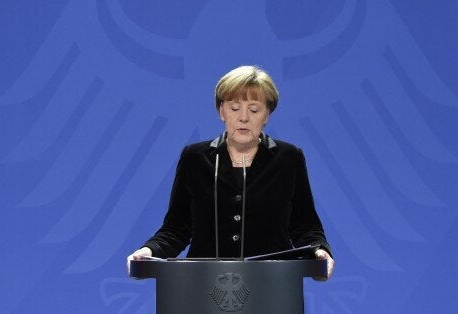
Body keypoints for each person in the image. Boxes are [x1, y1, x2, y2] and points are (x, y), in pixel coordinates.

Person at [127, 65, 334, 279]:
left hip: (272, 283)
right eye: (235, 108)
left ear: (267, 115)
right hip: (203, 284)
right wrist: (149, 250)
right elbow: (177, 227)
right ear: (221, 111)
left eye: (254, 110)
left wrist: (319, 250)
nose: (243, 118)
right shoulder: (195, 157)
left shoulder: (289, 158)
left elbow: (304, 224)